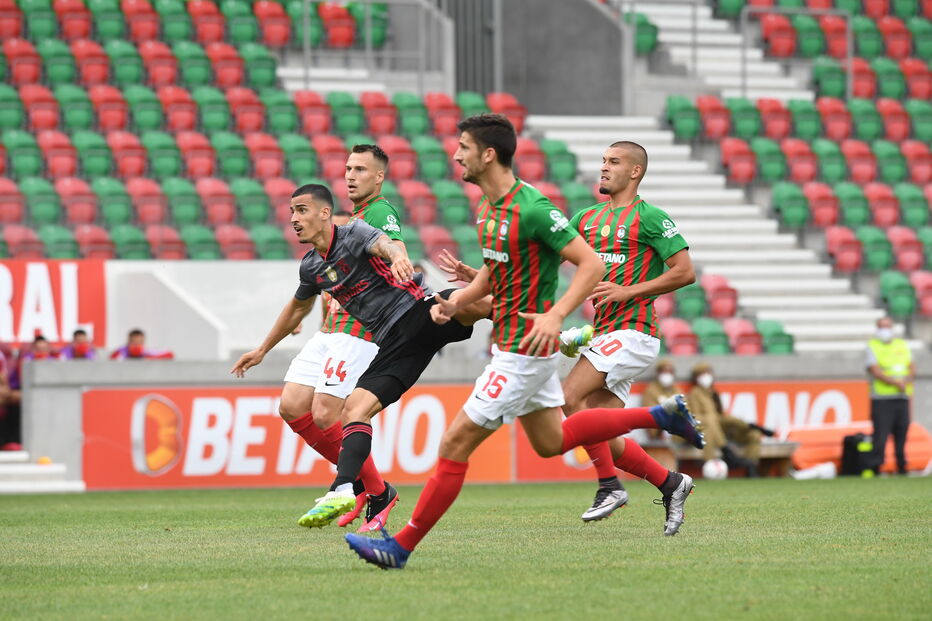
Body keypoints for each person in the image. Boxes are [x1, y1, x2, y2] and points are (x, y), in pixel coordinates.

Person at [345, 114, 705, 570]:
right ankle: (660, 416)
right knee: (552, 440)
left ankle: (400, 548)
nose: (455, 155)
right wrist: (459, 300)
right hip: (520, 346)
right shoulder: (490, 212)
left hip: (524, 350)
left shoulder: (533, 209)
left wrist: (556, 314)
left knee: (454, 445)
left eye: (463, 147)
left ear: (488, 154)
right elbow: (500, 272)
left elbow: (590, 265)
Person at [231, 183, 490, 529]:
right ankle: (360, 489)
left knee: (479, 304)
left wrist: (398, 256)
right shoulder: (311, 266)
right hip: (394, 344)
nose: (293, 219)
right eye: (291, 211)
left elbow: (384, 243)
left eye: (301, 210)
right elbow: (297, 307)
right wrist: (262, 349)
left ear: (325, 213)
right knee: (353, 409)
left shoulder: (354, 232)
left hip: (418, 311)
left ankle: (554, 327)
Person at [266, 144, 411, 533]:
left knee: (328, 413)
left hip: (361, 330)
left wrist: (398, 258)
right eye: (348, 168)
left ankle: (369, 489)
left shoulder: (379, 212)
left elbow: (393, 248)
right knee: (292, 405)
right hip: (333, 330)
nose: (351, 175)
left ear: (379, 177)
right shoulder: (351, 221)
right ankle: (366, 486)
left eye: (361, 169)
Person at [559, 140, 698, 522]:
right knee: (602, 434)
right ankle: (670, 483)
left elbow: (685, 272)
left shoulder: (651, 217)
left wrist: (627, 291)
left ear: (635, 171)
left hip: (635, 331)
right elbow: (545, 257)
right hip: (603, 333)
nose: (604, 167)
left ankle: (610, 486)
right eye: (602, 160)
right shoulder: (586, 219)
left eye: (614, 162)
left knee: (569, 397)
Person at [686, 362, 761, 477]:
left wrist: (742, 425)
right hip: (708, 430)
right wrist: (712, 418)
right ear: (696, 378)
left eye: (708, 373)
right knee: (711, 421)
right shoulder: (694, 394)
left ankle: (750, 466)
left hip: (721, 429)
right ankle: (726, 451)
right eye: (702, 374)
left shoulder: (714, 393)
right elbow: (694, 417)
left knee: (754, 434)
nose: (706, 376)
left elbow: (722, 415)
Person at [865, 316, 914, 475]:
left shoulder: (902, 345)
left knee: (902, 433)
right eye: (881, 327)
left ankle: (902, 466)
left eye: (887, 326)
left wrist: (906, 381)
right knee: (881, 435)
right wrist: (896, 383)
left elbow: (911, 366)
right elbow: (875, 370)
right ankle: (876, 467)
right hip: (882, 399)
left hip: (902, 397)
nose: (884, 330)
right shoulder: (873, 346)